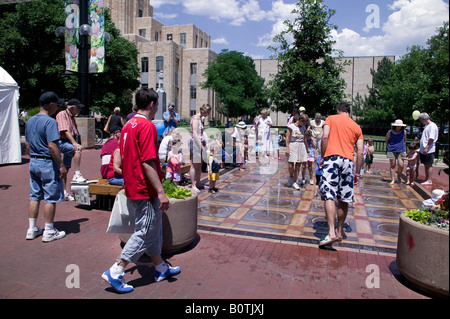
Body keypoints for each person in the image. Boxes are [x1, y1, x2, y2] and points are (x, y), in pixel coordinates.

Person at [102, 88, 180, 294]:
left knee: (154, 228)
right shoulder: (146, 126)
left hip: (134, 184)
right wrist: (161, 192)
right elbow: (147, 162)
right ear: (153, 104)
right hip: (144, 187)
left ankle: (160, 267)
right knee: (144, 230)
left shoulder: (128, 124)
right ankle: (117, 269)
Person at [319, 101, 364, 247]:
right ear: (349, 112)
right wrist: (357, 173)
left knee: (329, 195)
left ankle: (331, 232)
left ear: (338, 110)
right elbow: (360, 152)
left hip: (332, 159)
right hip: (348, 162)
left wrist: (323, 156)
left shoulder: (331, 118)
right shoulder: (356, 127)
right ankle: (339, 231)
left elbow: (325, 136)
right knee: (344, 198)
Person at [25, 92, 67, 242]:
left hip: (34, 161)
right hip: (47, 162)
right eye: (57, 104)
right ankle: (49, 230)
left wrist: (33, 157)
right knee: (50, 197)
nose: (57, 107)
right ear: (51, 105)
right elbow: (52, 145)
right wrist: (61, 164)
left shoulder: (30, 121)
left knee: (34, 195)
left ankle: (32, 228)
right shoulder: (50, 122)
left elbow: (28, 143)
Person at [55, 98, 86, 201]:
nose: (79, 110)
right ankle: (77, 174)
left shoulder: (72, 117)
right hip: (61, 141)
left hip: (67, 141)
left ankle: (63, 192)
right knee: (76, 149)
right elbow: (65, 130)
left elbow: (74, 131)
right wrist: (75, 143)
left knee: (65, 169)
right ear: (72, 108)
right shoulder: (62, 114)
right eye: (78, 108)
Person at [189, 104, 212, 193]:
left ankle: (198, 183)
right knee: (194, 164)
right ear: (204, 111)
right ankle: (193, 185)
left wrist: (204, 144)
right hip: (195, 143)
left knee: (199, 164)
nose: (208, 114)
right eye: (207, 112)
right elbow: (194, 133)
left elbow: (200, 134)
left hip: (199, 142)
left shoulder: (200, 119)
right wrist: (200, 146)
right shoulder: (195, 118)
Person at [285, 115, 308, 190]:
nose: (304, 124)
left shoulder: (303, 128)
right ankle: (291, 176)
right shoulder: (291, 126)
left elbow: (304, 139)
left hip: (301, 145)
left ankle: (295, 181)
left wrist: (306, 148)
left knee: (298, 164)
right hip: (293, 144)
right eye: (303, 122)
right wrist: (287, 147)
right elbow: (287, 137)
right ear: (300, 120)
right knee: (291, 164)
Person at [418, 113, 439, 185]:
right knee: (425, 164)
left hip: (429, 149)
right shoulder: (427, 126)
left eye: (420, 120)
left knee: (429, 164)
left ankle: (429, 180)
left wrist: (426, 148)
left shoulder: (432, 126)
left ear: (424, 119)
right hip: (424, 148)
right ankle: (426, 178)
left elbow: (431, 138)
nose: (420, 122)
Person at [385, 120, 407, 185]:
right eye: (398, 126)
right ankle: (393, 179)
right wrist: (389, 147)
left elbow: (405, 140)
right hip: (392, 150)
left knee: (401, 165)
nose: (399, 127)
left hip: (401, 150)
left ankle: (399, 176)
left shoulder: (404, 132)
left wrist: (403, 147)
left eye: (400, 126)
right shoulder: (390, 132)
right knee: (393, 165)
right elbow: (386, 140)